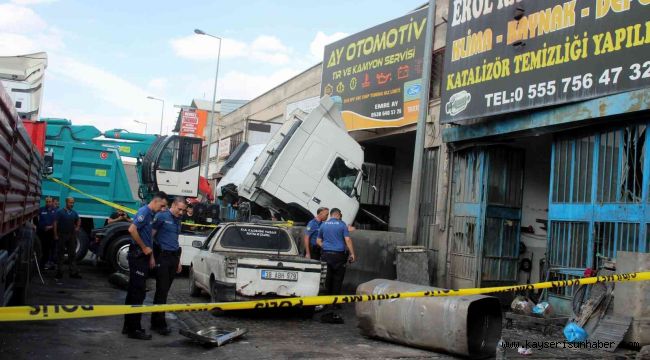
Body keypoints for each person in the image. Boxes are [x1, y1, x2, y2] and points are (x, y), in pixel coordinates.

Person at [122, 191, 167, 340]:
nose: (163, 209)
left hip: (144, 256)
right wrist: (143, 248)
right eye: (162, 205)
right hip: (138, 256)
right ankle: (134, 329)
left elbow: (148, 238)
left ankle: (128, 326)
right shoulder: (144, 212)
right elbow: (132, 230)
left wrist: (151, 256)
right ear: (155, 201)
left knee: (134, 291)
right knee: (137, 292)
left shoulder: (151, 215)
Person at [150, 197, 186, 335]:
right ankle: (159, 323)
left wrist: (178, 261)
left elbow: (175, 240)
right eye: (179, 209)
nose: (181, 212)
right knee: (162, 290)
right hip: (162, 256)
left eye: (183, 210)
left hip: (173, 257)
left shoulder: (178, 220)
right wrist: (152, 256)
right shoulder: (161, 216)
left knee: (165, 290)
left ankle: (156, 321)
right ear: (173, 205)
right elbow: (151, 237)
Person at [317, 208, 356, 297]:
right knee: (338, 279)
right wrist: (352, 254)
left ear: (331, 215)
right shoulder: (342, 225)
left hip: (326, 254)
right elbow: (348, 239)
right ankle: (335, 303)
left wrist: (326, 246)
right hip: (339, 256)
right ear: (338, 215)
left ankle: (324, 302)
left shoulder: (323, 225)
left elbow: (318, 241)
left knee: (326, 278)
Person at [53, 197, 81, 279]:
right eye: (70, 203)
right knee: (60, 254)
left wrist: (77, 227)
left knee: (72, 254)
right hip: (62, 235)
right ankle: (59, 272)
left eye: (73, 203)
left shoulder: (74, 212)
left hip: (71, 235)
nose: (71, 204)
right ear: (66, 202)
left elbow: (79, 219)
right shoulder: (60, 212)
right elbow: (55, 223)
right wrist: (55, 235)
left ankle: (73, 272)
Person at [37, 197, 56, 269]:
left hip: (50, 233)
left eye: (50, 201)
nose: (48, 203)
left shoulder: (55, 211)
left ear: (52, 202)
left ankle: (45, 264)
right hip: (41, 232)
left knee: (48, 249)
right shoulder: (41, 209)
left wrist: (51, 227)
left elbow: (57, 222)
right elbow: (36, 218)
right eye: (47, 201)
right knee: (40, 248)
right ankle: (39, 264)